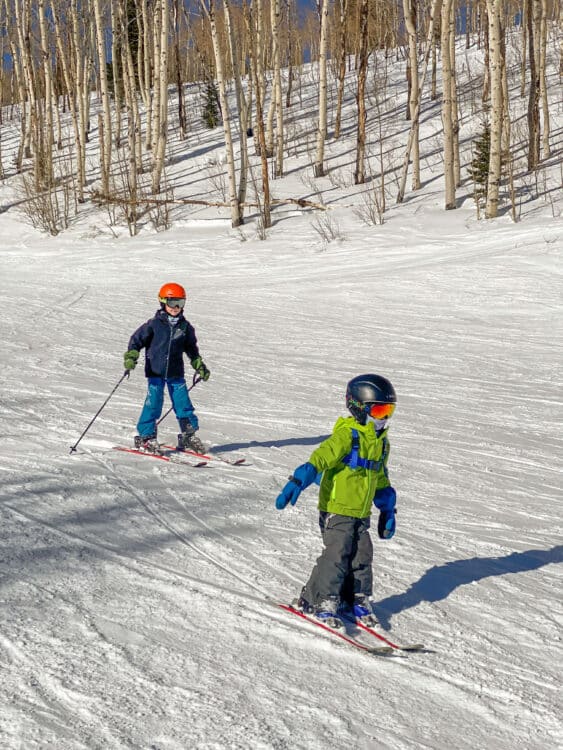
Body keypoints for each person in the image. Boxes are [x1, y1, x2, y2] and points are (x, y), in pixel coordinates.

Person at [275, 374, 397, 624]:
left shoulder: (381, 444)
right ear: (359, 408)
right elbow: (320, 459)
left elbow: (380, 477)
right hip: (337, 508)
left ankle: (357, 597)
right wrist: (299, 479)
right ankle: (321, 598)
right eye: (380, 410)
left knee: (362, 554)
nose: (384, 418)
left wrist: (387, 508)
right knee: (337, 555)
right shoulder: (345, 436)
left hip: (360, 512)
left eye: (389, 411)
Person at [123, 282, 210, 453]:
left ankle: (188, 434)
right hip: (155, 372)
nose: (176, 307)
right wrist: (131, 357)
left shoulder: (185, 327)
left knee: (183, 403)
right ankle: (146, 436)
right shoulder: (154, 324)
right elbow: (136, 341)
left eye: (180, 303)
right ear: (163, 302)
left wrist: (199, 366)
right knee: (153, 403)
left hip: (176, 373)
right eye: (172, 303)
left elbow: (192, 350)